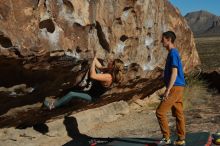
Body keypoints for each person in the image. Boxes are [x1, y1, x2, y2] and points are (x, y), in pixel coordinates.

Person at [44, 57, 124, 110]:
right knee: (72, 91)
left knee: (72, 93)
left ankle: (53, 106)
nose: (109, 61)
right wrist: (94, 57)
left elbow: (93, 76)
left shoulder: (108, 77)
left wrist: (92, 63)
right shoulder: (108, 70)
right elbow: (99, 66)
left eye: (111, 62)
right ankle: (62, 103)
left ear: (112, 66)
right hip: (91, 91)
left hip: (92, 96)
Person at [156, 31, 186, 146]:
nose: (161, 41)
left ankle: (166, 138)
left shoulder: (173, 53)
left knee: (160, 112)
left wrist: (168, 90)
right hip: (179, 86)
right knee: (179, 113)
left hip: (175, 87)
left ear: (168, 39)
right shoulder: (173, 53)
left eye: (162, 39)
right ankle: (181, 139)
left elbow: (174, 72)